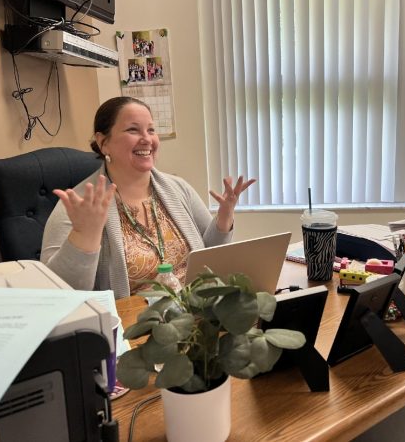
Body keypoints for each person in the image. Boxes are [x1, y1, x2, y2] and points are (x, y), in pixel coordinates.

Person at [41, 96, 255, 299]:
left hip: (197, 308)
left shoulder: (179, 188)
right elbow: (59, 296)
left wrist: (224, 218)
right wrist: (84, 236)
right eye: (133, 130)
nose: (147, 139)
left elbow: (210, 258)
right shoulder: (78, 206)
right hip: (135, 325)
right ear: (103, 142)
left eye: (151, 130)